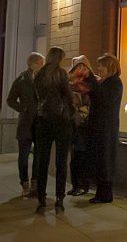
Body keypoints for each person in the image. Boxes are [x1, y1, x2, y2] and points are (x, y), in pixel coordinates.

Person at [33, 46, 75, 214]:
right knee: (61, 161)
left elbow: (37, 96)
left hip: (44, 121)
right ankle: (59, 198)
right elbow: (68, 97)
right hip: (61, 122)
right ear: (60, 59)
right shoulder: (61, 74)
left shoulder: (39, 75)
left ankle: (41, 198)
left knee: (42, 160)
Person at [6, 52, 45, 198]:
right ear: (33, 64)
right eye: (40, 63)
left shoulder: (43, 79)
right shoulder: (21, 80)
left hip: (40, 123)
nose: (42, 66)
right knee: (23, 155)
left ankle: (35, 183)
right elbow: (10, 100)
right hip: (25, 123)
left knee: (39, 155)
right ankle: (24, 183)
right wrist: (22, 108)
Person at [88, 53, 123, 203]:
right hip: (100, 126)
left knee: (105, 159)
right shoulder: (105, 82)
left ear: (110, 67)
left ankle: (105, 194)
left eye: (102, 65)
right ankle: (100, 192)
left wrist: (92, 82)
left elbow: (104, 99)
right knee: (100, 159)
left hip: (107, 128)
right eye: (98, 66)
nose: (99, 68)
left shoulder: (115, 83)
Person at [68, 55, 98, 196]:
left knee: (83, 156)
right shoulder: (70, 82)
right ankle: (75, 185)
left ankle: (83, 185)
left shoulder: (94, 81)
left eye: (82, 66)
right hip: (74, 124)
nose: (80, 70)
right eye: (77, 67)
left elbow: (94, 102)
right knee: (75, 157)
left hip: (87, 125)